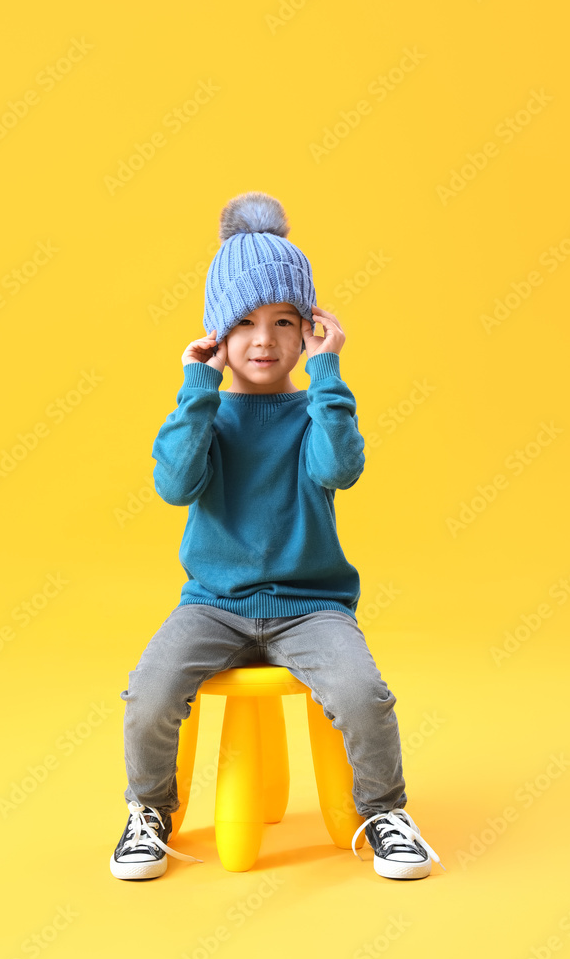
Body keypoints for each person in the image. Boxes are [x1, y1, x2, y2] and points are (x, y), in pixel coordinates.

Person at [110, 191, 444, 882]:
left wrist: (329, 373)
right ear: (216, 337)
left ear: (306, 332)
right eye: (243, 323)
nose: (263, 340)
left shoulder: (311, 409)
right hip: (212, 602)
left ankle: (383, 811)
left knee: (361, 694)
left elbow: (339, 468)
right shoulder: (206, 413)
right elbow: (175, 484)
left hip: (309, 604)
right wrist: (195, 387)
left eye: (283, 322)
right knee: (147, 692)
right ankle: (148, 812)